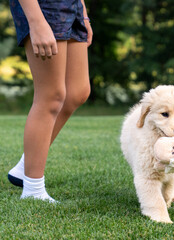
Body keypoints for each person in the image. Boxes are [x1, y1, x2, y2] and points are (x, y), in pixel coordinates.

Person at [7, 0, 93, 202]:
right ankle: (33, 190)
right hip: (43, 6)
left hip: (73, 6)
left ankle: (23, 169)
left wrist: (83, 12)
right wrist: (36, 21)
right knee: (51, 96)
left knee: (77, 92)